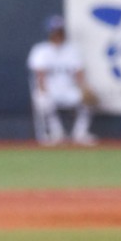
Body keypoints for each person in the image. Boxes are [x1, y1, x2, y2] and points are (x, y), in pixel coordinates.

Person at [27, 15, 97, 145]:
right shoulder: (41, 50)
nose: (58, 33)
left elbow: (79, 74)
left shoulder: (72, 50)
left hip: (68, 89)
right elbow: (39, 75)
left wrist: (85, 88)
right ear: (50, 32)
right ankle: (56, 134)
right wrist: (43, 90)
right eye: (55, 30)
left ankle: (80, 134)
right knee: (43, 100)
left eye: (60, 30)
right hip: (50, 90)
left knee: (88, 100)